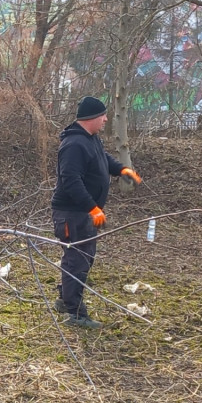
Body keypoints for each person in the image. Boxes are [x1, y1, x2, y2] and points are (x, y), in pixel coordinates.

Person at [51, 96, 142, 329]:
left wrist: (122, 170)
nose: (106, 119)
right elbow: (70, 181)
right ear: (91, 118)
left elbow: (103, 160)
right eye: (103, 115)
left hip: (83, 213)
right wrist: (92, 208)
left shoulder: (91, 139)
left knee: (81, 256)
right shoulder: (73, 145)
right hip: (73, 213)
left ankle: (65, 299)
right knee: (77, 259)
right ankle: (75, 314)